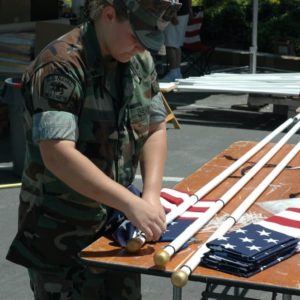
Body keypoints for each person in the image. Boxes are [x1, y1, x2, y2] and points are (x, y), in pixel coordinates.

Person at [6, 0, 181, 299]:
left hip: (117, 231)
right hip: (61, 236)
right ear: (109, 14)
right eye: (137, 37)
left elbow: (155, 127)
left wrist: (150, 196)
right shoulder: (60, 65)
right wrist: (130, 202)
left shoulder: (140, 62)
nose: (142, 47)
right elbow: (58, 154)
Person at [161, 0, 192, 82]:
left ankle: (173, 73)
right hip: (184, 12)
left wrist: (173, 15)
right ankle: (177, 73)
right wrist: (190, 9)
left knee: (170, 45)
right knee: (177, 44)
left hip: (175, 12)